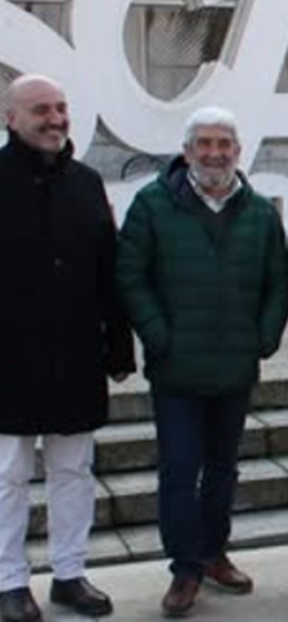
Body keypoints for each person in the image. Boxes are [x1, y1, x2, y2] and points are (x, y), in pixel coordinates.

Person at [117, 107, 288, 618]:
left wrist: (263, 338)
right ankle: (185, 569)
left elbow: (278, 282)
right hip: (177, 370)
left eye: (225, 144)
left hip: (234, 367)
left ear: (238, 151)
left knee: (222, 470)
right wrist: (158, 335)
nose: (215, 153)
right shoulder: (152, 204)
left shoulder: (259, 211)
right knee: (178, 470)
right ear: (187, 150)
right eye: (205, 143)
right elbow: (131, 275)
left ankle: (214, 553)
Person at [0, 75, 135, 622]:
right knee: (8, 474)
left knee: (74, 470)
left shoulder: (84, 182)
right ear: (11, 118)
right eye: (41, 110)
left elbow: (109, 271)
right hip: (8, 359)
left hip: (77, 356)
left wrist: (119, 347)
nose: (55, 118)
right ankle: (9, 581)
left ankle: (70, 574)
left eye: (61, 108)